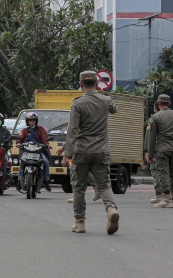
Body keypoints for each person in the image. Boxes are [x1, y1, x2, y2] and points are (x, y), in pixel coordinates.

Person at [61, 71, 119, 234]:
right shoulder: (105, 100)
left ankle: (80, 223)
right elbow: (115, 108)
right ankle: (111, 209)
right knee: (105, 184)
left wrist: (67, 153)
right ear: (97, 83)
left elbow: (72, 130)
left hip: (81, 151)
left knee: (79, 187)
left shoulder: (78, 103)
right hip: (101, 150)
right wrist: (106, 99)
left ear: (80, 85)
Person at [146, 94, 173, 208]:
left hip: (162, 150)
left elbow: (152, 138)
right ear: (169, 103)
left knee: (164, 174)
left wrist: (150, 153)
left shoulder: (156, 117)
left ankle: (166, 199)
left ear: (158, 104)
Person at [16, 112, 51, 192]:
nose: (32, 122)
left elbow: (44, 138)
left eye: (33, 120)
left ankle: (46, 181)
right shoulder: (24, 130)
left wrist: (46, 144)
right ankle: (19, 181)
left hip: (39, 152)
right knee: (22, 163)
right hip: (26, 152)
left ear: (36, 121)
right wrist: (18, 143)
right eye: (30, 121)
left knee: (45, 162)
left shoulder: (41, 129)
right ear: (27, 122)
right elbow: (20, 138)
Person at [144, 103, 163, 204]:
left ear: (155, 108)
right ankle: (169, 195)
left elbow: (149, 137)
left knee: (155, 171)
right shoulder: (169, 119)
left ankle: (159, 195)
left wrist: (147, 151)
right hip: (167, 150)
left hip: (156, 151)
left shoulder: (153, 120)